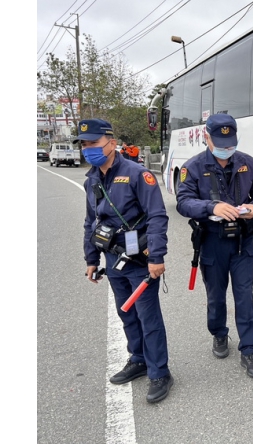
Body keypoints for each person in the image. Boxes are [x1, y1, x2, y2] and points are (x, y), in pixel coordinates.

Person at [78, 118, 174, 403]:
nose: (88, 149)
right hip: (112, 258)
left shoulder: (137, 174)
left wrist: (156, 256)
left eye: (94, 143)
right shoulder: (91, 180)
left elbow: (157, 216)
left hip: (139, 259)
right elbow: (90, 222)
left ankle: (160, 372)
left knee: (148, 317)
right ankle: (139, 359)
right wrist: (91, 259)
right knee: (127, 314)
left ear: (111, 142)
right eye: (84, 144)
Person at [176, 113, 253, 378]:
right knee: (216, 296)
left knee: (245, 296)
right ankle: (218, 333)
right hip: (212, 241)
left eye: (231, 143)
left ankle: (249, 348)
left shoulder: (247, 162)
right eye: (220, 143)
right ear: (206, 138)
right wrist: (211, 207)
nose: (226, 148)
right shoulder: (193, 167)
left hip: (242, 242)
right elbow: (183, 202)